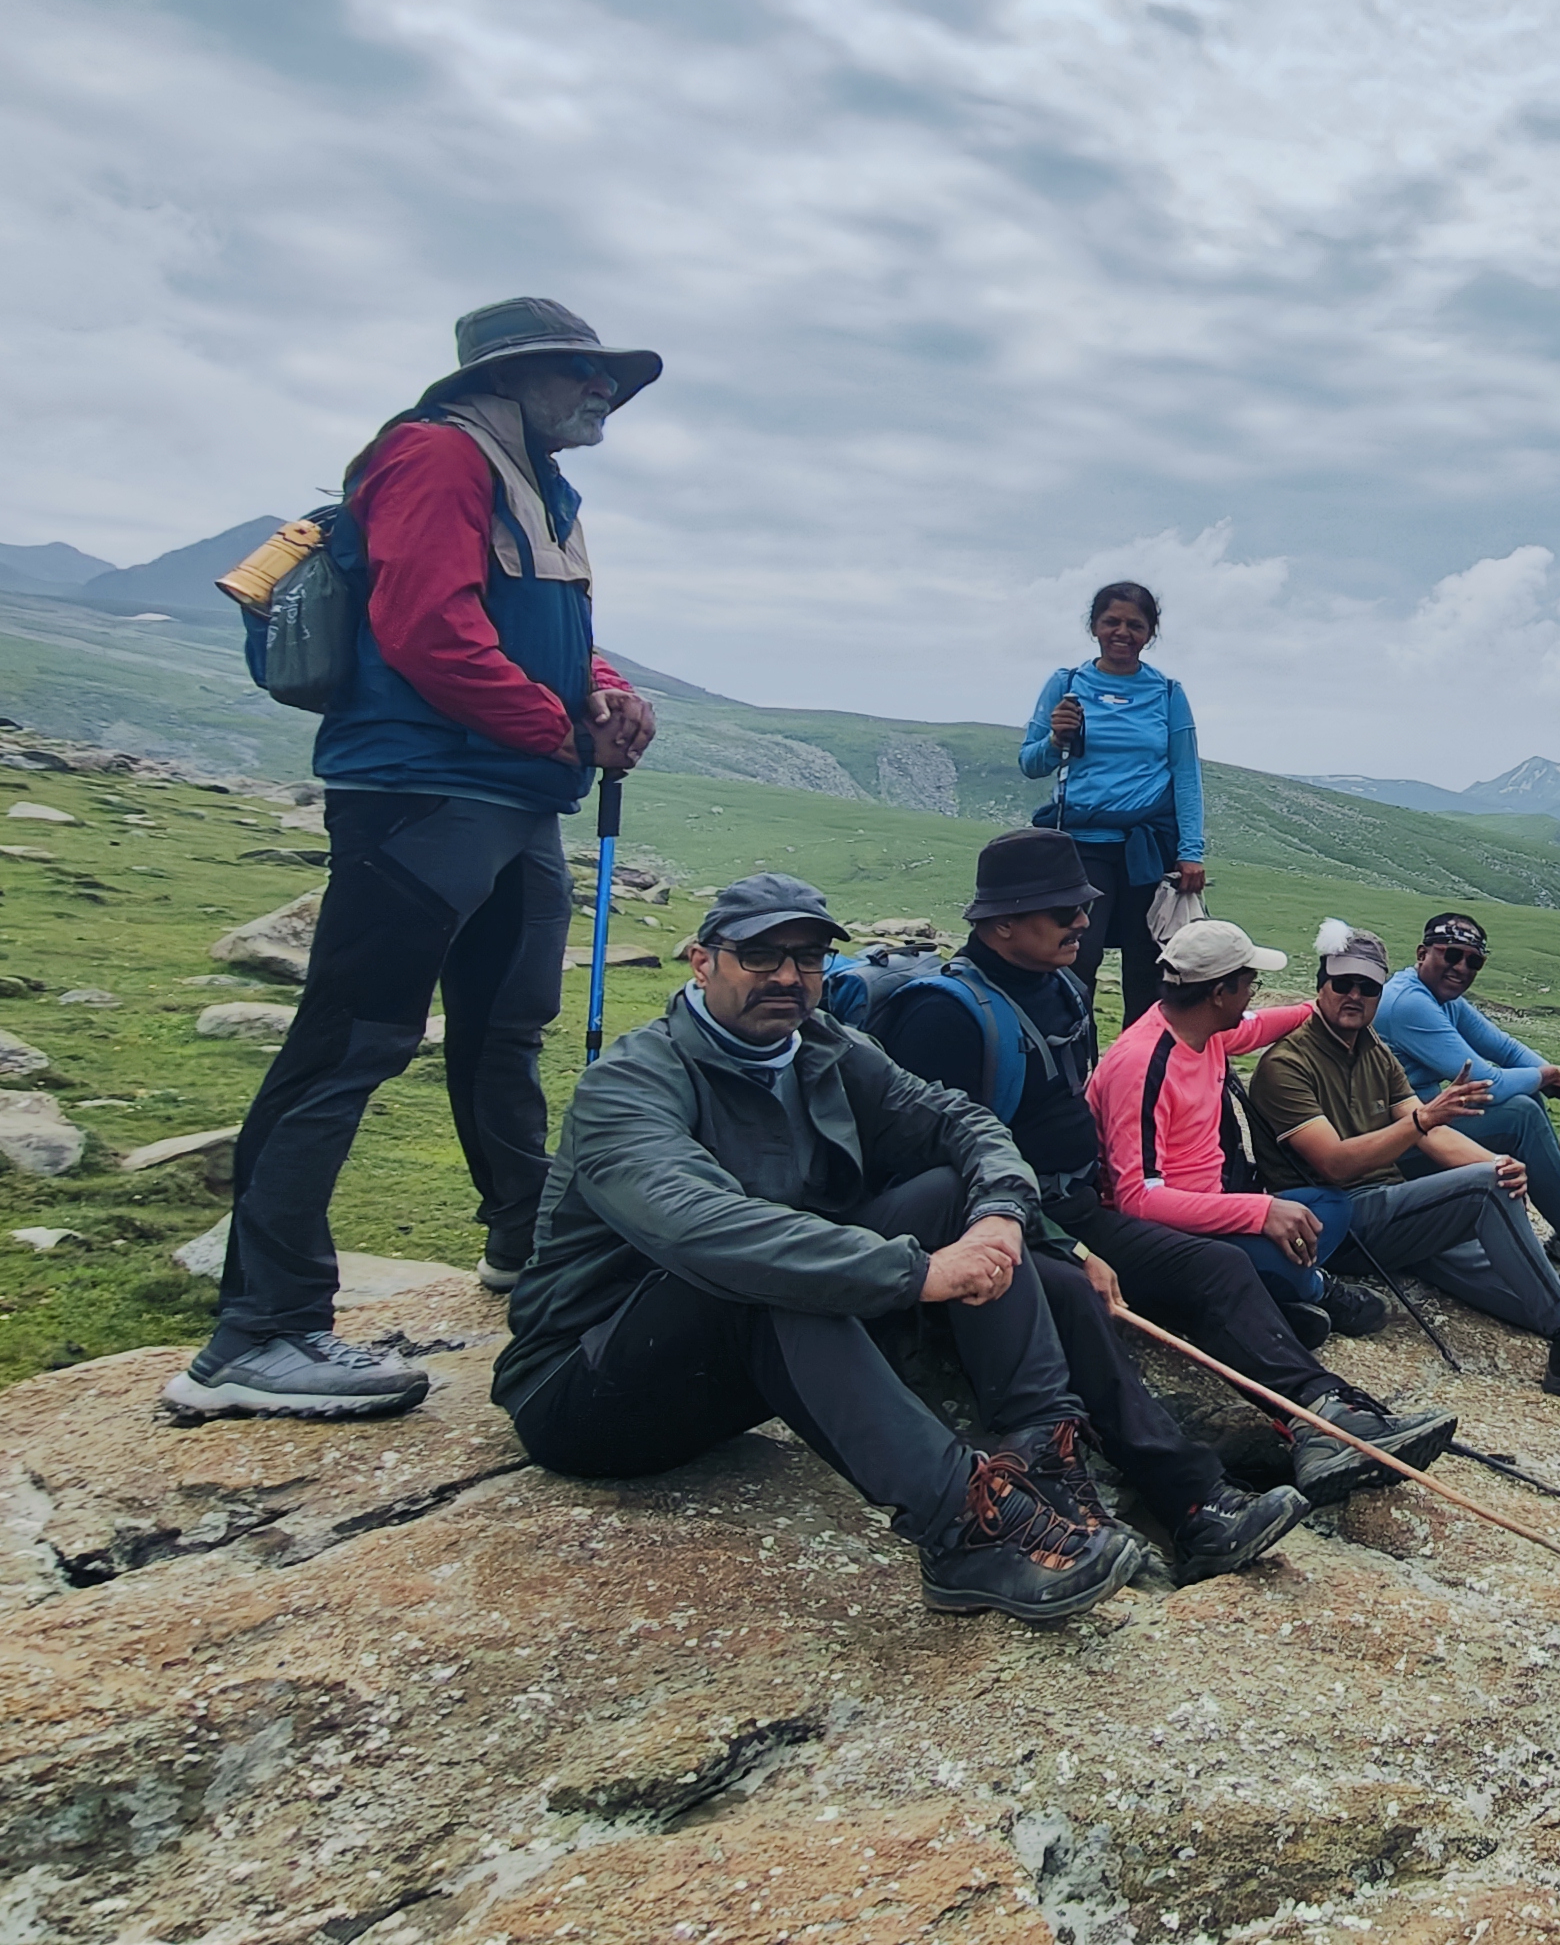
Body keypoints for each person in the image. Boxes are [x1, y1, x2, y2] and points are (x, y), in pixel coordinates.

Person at [492, 875, 1309, 1620]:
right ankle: (963, 1530)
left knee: (956, 1197)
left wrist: (1000, 1217)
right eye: (760, 956)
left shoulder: (822, 1047)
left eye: (807, 958)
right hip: (591, 1387)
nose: (787, 977)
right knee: (770, 1277)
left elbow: (961, 1122)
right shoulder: (631, 1084)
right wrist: (918, 1272)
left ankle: (1045, 1459)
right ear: (702, 962)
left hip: (737, 1368)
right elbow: (709, 1232)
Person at [167, 298, 665, 1424]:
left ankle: (524, 1245)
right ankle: (257, 1333)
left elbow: (554, 640)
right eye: (581, 372)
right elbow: (428, 630)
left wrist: (609, 695)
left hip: (512, 797)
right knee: (351, 1042)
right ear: (511, 376)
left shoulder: (541, 485)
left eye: (608, 377)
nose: (602, 393)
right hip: (423, 791)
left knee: (505, 1029)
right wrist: (561, 732)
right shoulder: (437, 454)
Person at [868, 829, 1458, 1508]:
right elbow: (947, 1168)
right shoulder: (944, 1019)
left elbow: (1248, 1027)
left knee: (1223, 1266)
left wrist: (1327, 1004)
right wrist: (1069, 1247)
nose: (1084, 921)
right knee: (1164, 1285)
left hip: (1072, 1205)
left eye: (1084, 906)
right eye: (1065, 911)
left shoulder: (1058, 989)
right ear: (1002, 922)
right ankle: (1233, 1472)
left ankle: (1325, 1416)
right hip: (1017, 1221)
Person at [1111, 917, 1560, 1411]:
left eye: (1368, 987)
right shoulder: (1284, 1066)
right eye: (1342, 984)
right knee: (1485, 1200)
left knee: (1512, 1273)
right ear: (1321, 985)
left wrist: (1492, 1164)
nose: (1355, 996)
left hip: (1390, 1212)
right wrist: (1446, 1145)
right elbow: (1336, 1164)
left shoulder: (1362, 1047)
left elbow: (1431, 1133)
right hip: (1342, 1219)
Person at [1374, 912, 1560, 1323]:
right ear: (1422, 953)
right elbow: (1486, 1083)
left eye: (1473, 961)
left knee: (1525, 1104)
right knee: (1520, 1114)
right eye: (1451, 955)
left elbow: (1506, 1049)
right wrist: (1552, 1077)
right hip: (1396, 1146)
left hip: (1424, 1130)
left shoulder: (1443, 1000)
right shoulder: (1408, 1003)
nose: (1461, 968)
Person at [1019, 580, 1204, 1030]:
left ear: (1150, 633)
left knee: (1149, 969)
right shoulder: (1066, 685)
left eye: (1135, 625)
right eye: (1112, 622)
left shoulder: (1167, 693)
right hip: (1083, 845)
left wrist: (1191, 851)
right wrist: (1056, 738)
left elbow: (1186, 774)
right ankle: (1069, 1062)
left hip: (1148, 848)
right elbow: (1030, 763)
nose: (1122, 633)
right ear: (1094, 626)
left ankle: (1138, 1065)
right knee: (1076, 960)